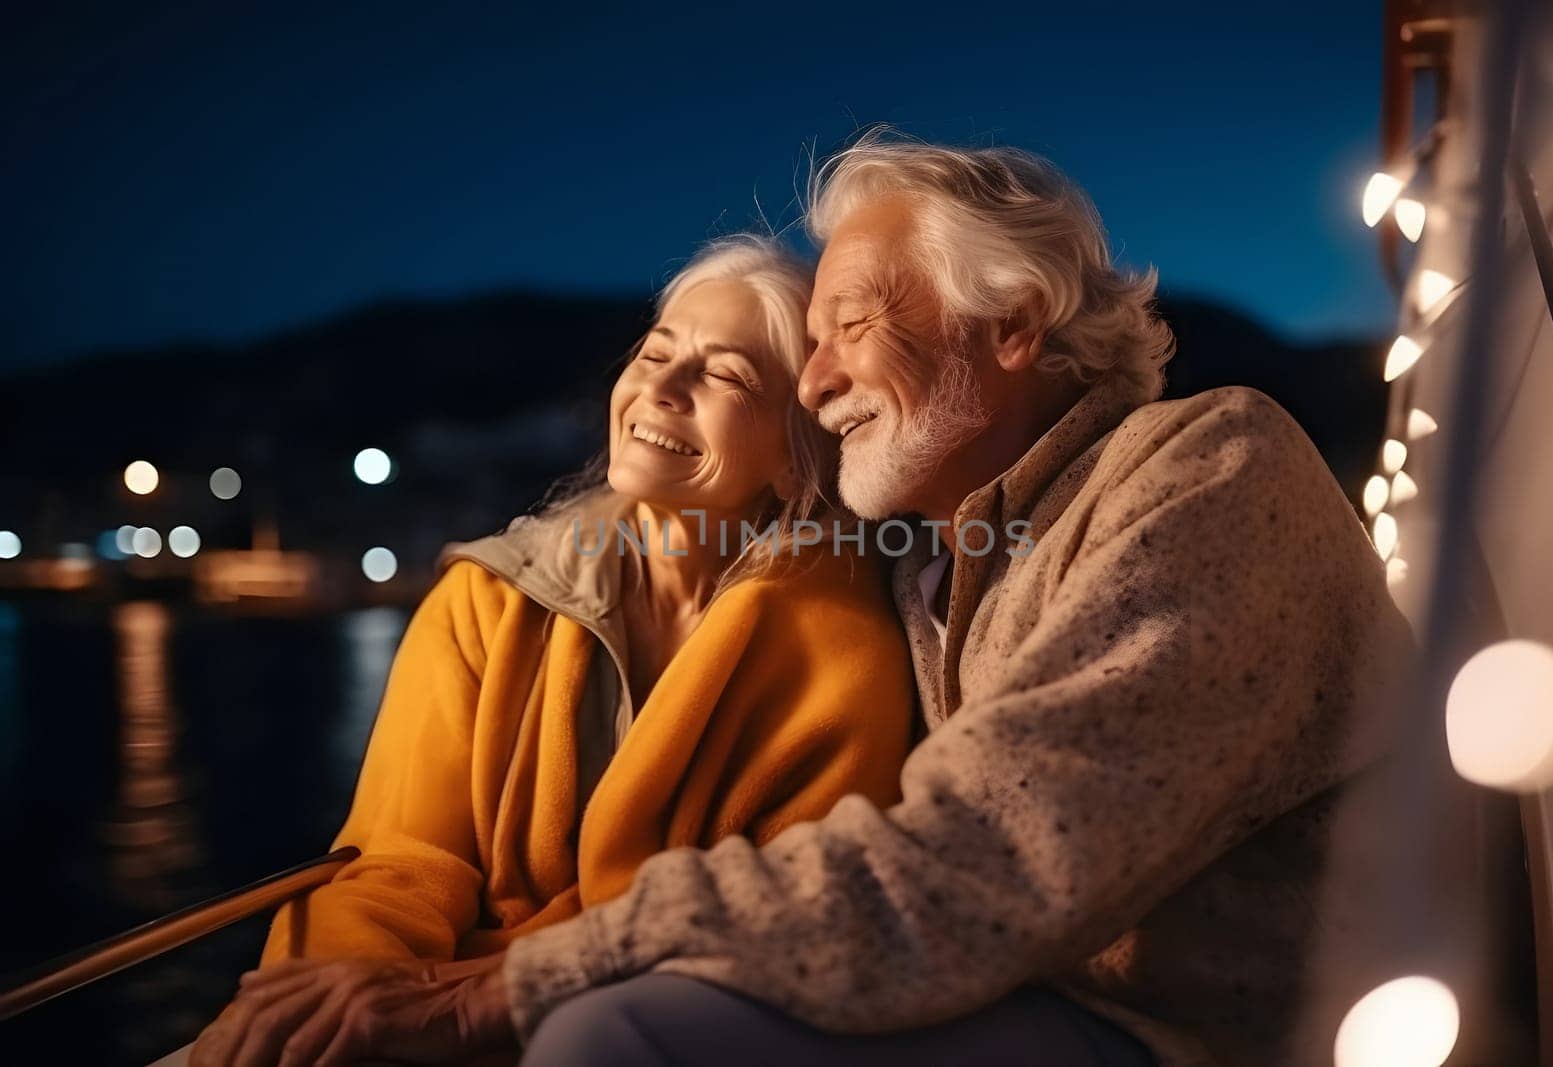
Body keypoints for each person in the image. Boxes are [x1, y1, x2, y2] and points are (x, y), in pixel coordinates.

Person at [198, 130, 1416, 1067]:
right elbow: (397, 855)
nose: (819, 380)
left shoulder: (1210, 466)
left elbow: (984, 845)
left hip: (1202, 1037)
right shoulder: (940, 569)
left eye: (845, 327)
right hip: (1047, 994)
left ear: (1010, 324)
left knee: (612, 1038)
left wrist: (503, 985)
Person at [186, 235, 916, 1066]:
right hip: (442, 1008)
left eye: (723, 375)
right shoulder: (486, 601)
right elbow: (399, 861)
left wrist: (488, 991)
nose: (662, 390)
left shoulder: (843, 653)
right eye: (654, 353)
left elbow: (770, 924)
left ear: (793, 457)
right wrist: (336, 1000)